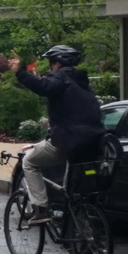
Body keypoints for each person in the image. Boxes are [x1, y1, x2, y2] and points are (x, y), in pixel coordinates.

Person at [8, 45, 105, 225]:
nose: (50, 67)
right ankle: (83, 232)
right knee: (76, 191)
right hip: (93, 142)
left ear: (57, 63)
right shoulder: (81, 83)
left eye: (51, 64)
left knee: (28, 161)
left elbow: (44, 86)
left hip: (69, 140)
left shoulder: (60, 77)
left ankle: (41, 209)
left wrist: (20, 72)